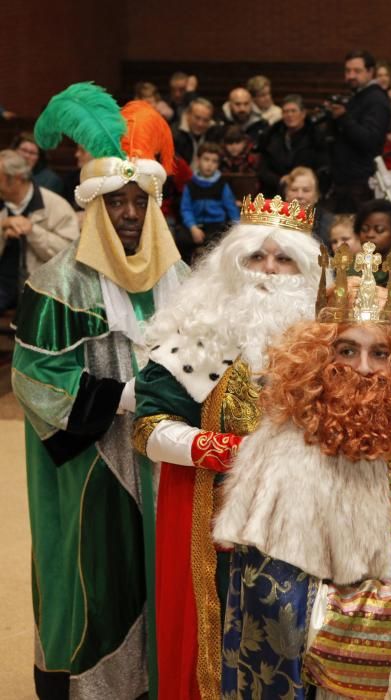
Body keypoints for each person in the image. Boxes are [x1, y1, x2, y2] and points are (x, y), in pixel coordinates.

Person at [212, 248, 391, 697]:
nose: (364, 369)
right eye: (347, 350)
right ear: (318, 358)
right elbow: (274, 603)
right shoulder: (290, 456)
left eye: (380, 352)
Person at [12, 84, 187, 699]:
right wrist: (118, 397)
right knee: (96, 570)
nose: (130, 215)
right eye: (117, 203)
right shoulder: (58, 282)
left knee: (164, 570)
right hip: (92, 460)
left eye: (140, 202)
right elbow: (33, 377)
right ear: (96, 206)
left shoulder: (179, 277)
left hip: (166, 456)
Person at [133, 193, 321, 700]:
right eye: (255, 257)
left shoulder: (332, 341)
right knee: (218, 632)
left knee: (299, 629)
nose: (269, 270)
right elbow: (149, 426)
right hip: (212, 518)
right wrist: (226, 450)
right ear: (230, 263)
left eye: (284, 259)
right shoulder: (197, 336)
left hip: (305, 514)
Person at [0, 149, 78, 312]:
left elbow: (69, 256)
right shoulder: (3, 204)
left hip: (42, 293)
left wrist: (31, 230)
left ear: (17, 179)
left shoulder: (55, 205)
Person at [328, 49, 391, 212]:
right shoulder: (357, 95)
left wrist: (343, 117)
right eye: (348, 71)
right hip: (346, 178)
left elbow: (370, 140)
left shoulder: (376, 99)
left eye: (357, 71)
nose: (350, 76)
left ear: (371, 72)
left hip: (360, 181)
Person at [178, 142, 240, 262]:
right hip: (194, 225)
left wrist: (237, 227)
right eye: (206, 159)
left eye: (214, 161)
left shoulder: (222, 185)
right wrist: (193, 227)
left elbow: (231, 208)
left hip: (216, 225)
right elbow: (186, 209)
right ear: (198, 160)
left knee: (219, 243)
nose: (209, 165)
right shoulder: (190, 185)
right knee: (181, 240)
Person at [257, 94, 328, 197]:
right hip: (275, 192)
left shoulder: (316, 137)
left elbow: (322, 167)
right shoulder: (271, 135)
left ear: (303, 113)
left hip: (305, 193)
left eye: (293, 111)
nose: (289, 115)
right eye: (286, 111)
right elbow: (263, 169)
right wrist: (280, 180)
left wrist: (298, 182)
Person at [282, 166, 333, 247]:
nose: (299, 195)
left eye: (306, 190)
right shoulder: (275, 220)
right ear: (286, 195)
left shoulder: (330, 224)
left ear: (316, 196)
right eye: (294, 190)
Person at [173, 97, 222, 170]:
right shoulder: (174, 134)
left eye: (205, 120)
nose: (200, 124)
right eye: (197, 118)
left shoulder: (215, 132)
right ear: (188, 115)